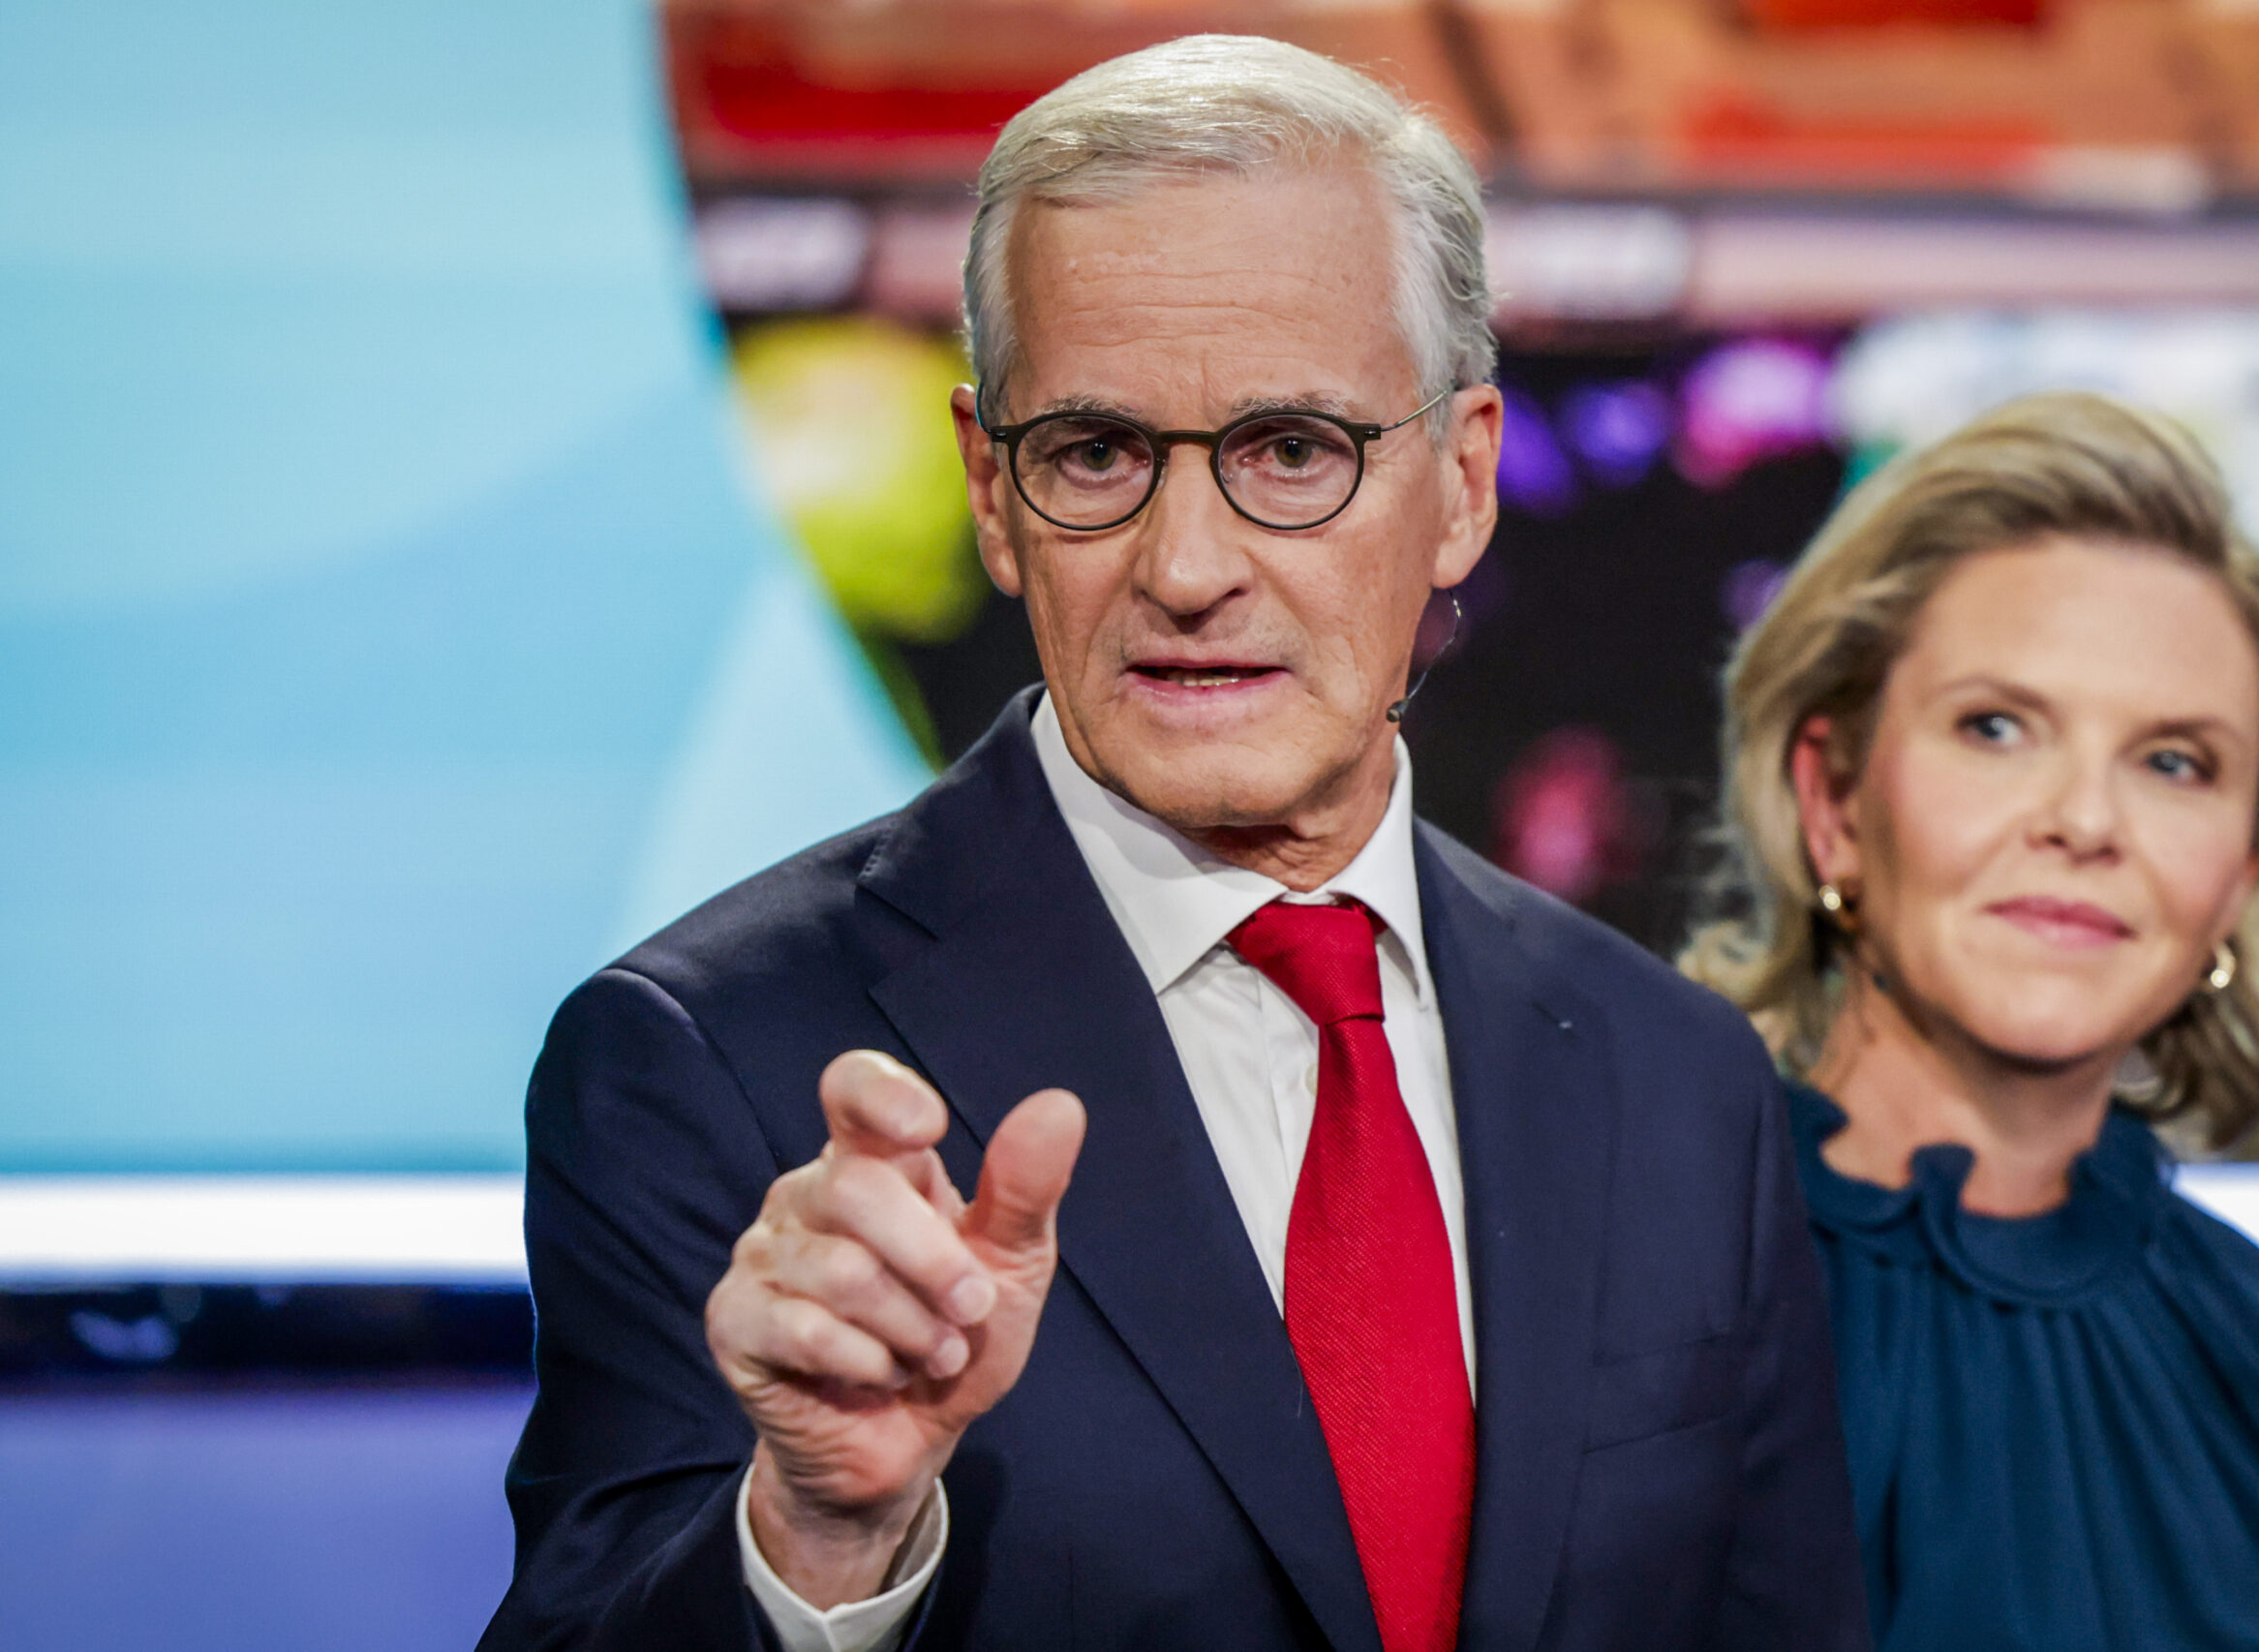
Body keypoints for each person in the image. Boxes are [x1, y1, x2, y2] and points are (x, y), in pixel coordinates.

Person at [482, 34, 1868, 1652]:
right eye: (1096, 455)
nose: (1189, 564)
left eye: (1293, 450)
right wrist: (818, 1541)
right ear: (992, 496)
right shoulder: (708, 1058)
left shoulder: (1676, 1076)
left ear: (1464, 482)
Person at [1683, 391, 2259, 1650]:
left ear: (2242, 872)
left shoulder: (2254, 1324)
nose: (2086, 820)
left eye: (2175, 761)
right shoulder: (1649, 1297)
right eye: (1998, 727)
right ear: (1836, 802)